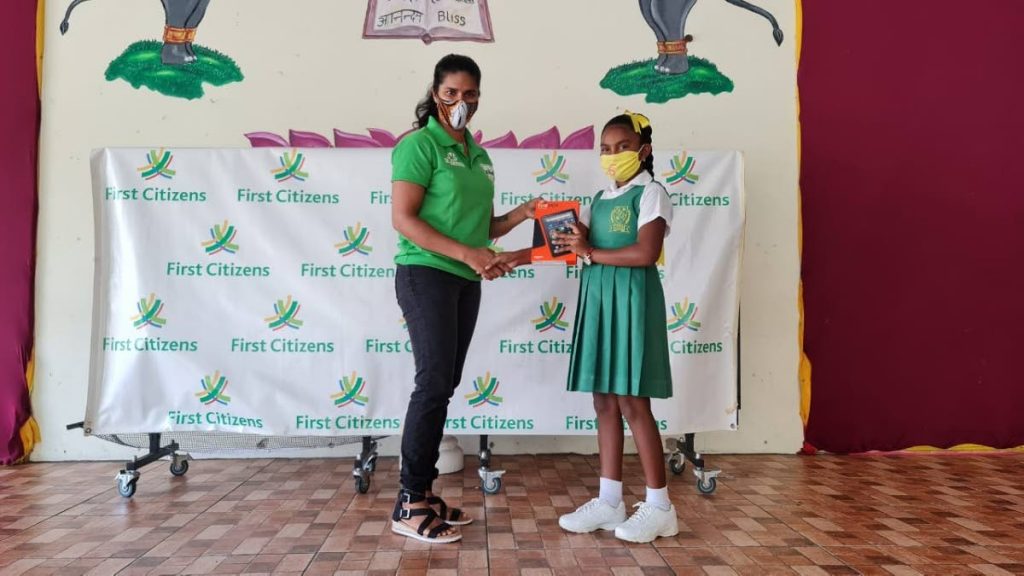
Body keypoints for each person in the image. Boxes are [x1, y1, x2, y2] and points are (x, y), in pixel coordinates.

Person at [501, 112, 679, 543]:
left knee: (634, 402)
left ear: (644, 150)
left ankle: (660, 507)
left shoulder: (651, 193)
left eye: (622, 147)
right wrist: (516, 258)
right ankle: (609, 499)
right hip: (599, 300)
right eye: (605, 148)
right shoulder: (599, 199)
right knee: (604, 401)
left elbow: (644, 253)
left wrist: (591, 250)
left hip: (632, 302)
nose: (612, 155)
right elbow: (570, 249)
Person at [389, 53, 537, 544]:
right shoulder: (418, 145)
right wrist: (471, 256)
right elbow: (406, 220)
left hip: (463, 279)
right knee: (431, 384)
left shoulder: (479, 155)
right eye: (451, 93)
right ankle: (409, 500)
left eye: (469, 94)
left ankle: (426, 495)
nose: (460, 102)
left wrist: (521, 215)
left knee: (444, 384)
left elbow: (482, 228)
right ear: (436, 93)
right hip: (425, 274)